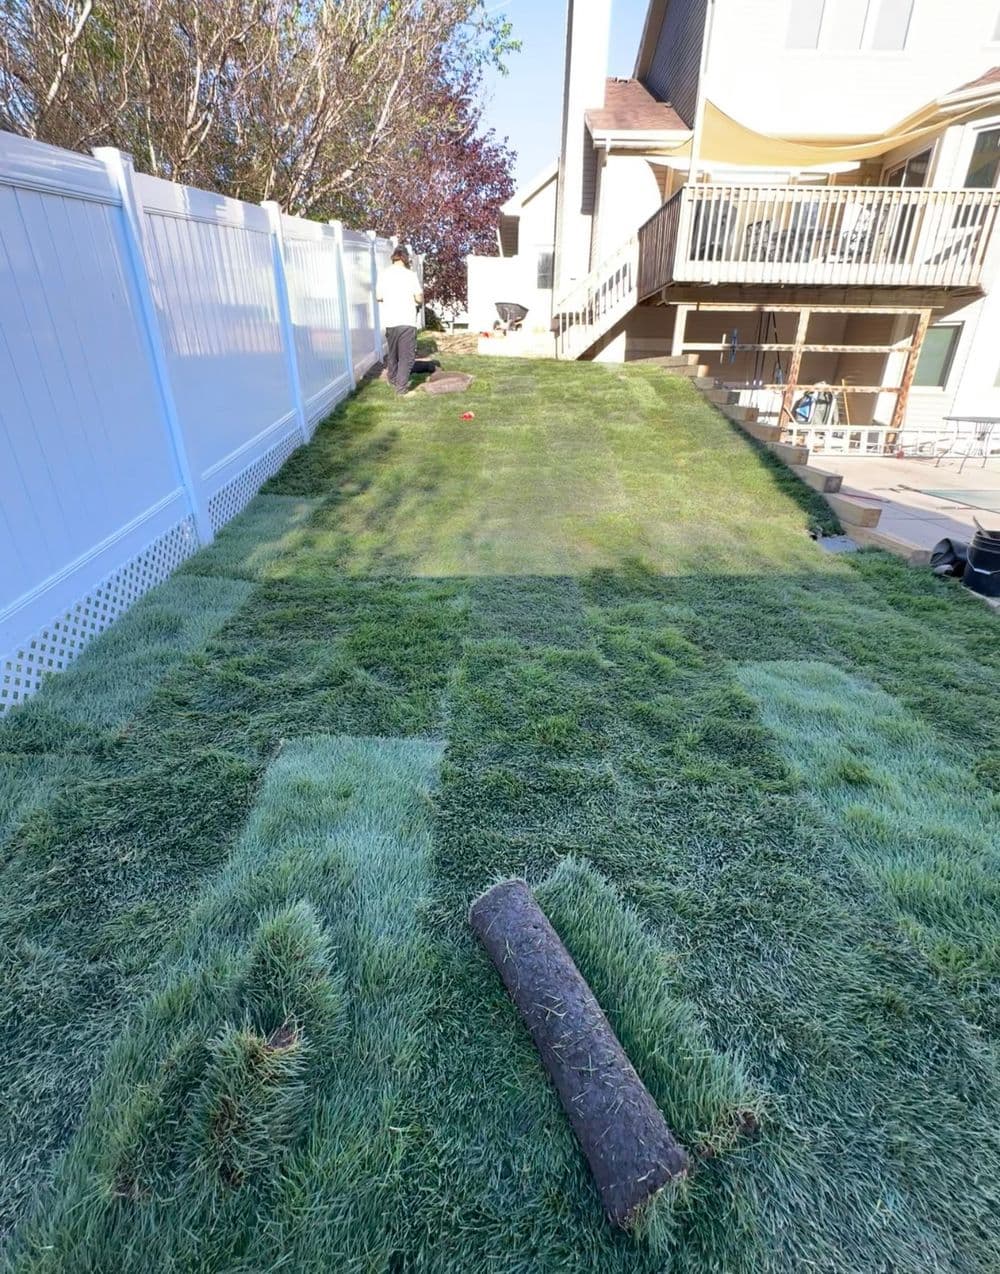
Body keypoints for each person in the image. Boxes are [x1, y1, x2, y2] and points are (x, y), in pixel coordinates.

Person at [376, 247, 424, 396]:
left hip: (390, 320)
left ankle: (392, 379)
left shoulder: (384, 274)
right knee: (406, 356)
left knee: (393, 353)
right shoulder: (410, 275)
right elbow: (418, 297)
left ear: (394, 258)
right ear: (405, 258)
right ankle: (401, 390)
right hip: (406, 320)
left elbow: (379, 296)